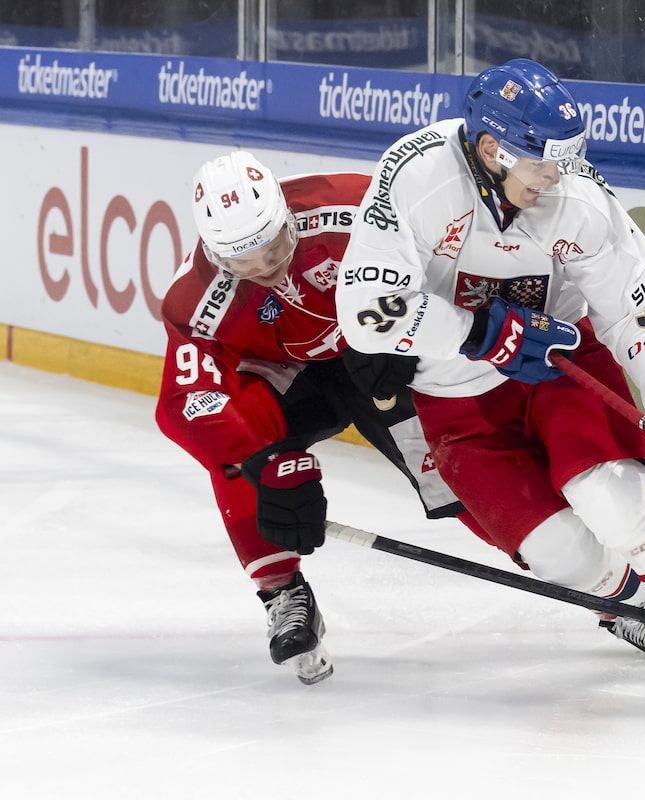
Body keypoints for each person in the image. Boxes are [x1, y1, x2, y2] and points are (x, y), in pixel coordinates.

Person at [331, 58, 645, 716]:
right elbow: (367, 311)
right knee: (557, 550)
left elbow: (631, 299)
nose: (557, 176)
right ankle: (634, 608)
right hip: (455, 392)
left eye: (563, 160)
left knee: (608, 496)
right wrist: (481, 334)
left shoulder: (572, 195)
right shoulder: (415, 176)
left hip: (561, 364)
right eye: (542, 162)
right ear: (491, 149)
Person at [155, 151, 476, 685]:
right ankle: (282, 592)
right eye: (241, 262)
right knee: (235, 456)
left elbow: (453, 264)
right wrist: (264, 461)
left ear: (286, 216)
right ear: (214, 252)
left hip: (376, 361)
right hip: (287, 380)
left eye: (273, 246)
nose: (263, 267)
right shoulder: (195, 299)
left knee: (463, 477)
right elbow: (189, 401)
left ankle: (595, 581)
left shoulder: (356, 204)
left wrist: (413, 335)